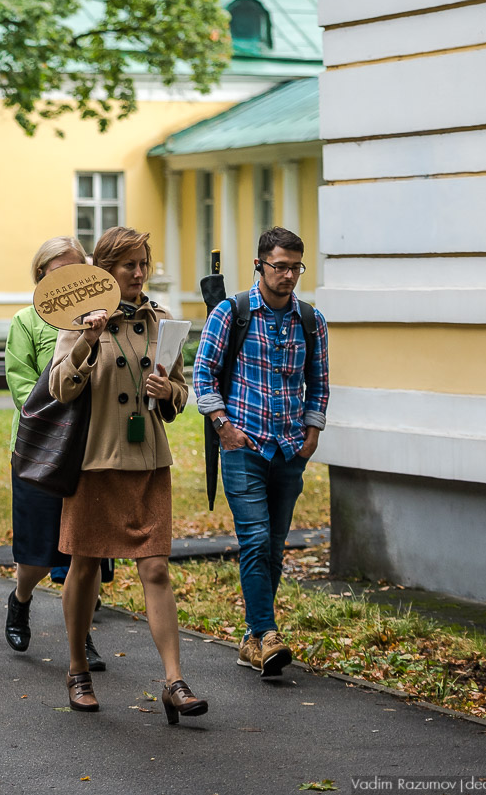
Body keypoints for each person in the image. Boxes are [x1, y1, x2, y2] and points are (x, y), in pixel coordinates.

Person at [48, 226, 205, 722]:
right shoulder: (79, 319)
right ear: (106, 270)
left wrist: (169, 392)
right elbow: (59, 387)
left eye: (143, 264)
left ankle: (174, 682)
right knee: (86, 566)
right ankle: (77, 669)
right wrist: (87, 342)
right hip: (96, 462)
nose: (138, 274)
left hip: (147, 461)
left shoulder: (158, 320)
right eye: (128, 265)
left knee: (155, 567)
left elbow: (180, 391)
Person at [194, 226, 329, 678]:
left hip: (290, 449)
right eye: (279, 266)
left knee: (274, 547)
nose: (288, 275)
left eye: (295, 267)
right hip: (244, 446)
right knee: (254, 540)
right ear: (259, 265)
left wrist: (312, 433)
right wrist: (223, 428)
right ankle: (268, 633)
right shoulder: (231, 313)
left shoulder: (311, 320)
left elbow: (320, 383)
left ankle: (253, 639)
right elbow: (204, 375)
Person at [4, 236, 117, 668]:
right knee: (38, 552)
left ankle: (81, 636)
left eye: (78, 272)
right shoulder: (25, 321)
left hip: (94, 448)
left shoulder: (105, 319)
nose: (70, 283)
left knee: (84, 549)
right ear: (41, 279)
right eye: (58, 274)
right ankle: (21, 597)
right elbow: (20, 388)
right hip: (42, 451)